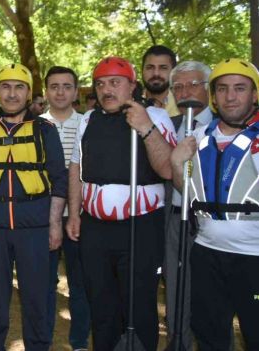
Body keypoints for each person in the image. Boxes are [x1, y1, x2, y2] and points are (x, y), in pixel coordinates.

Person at [66, 56, 176, 351]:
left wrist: (145, 127)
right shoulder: (88, 119)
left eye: (115, 83)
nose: (106, 90)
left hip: (140, 227)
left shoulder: (156, 116)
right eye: (101, 84)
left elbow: (168, 169)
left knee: (139, 307)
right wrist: (74, 213)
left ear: (132, 86)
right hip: (95, 229)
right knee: (101, 307)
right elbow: (76, 167)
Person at [0, 64, 66, 351]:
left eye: (19, 87)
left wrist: (55, 224)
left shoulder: (45, 130)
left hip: (35, 226)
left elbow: (59, 181)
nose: (12, 93)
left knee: (36, 298)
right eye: (6, 87)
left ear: (29, 93)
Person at [171, 58, 259, 350]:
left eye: (240, 88)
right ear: (213, 95)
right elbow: (190, 192)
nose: (230, 96)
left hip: (253, 258)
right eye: (222, 89)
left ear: (254, 94)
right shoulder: (198, 137)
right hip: (207, 253)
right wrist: (175, 162)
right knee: (209, 335)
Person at [163, 60, 212, 350]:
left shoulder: (225, 126)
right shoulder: (170, 127)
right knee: (175, 290)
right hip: (174, 217)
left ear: (208, 88)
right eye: (178, 86)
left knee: (210, 294)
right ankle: (177, 342)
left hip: (211, 222)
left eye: (193, 84)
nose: (185, 91)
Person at [40, 66, 90, 351]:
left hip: (78, 218)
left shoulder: (87, 124)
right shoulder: (33, 125)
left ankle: (79, 340)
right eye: (54, 86)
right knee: (43, 283)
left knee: (80, 283)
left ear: (75, 91)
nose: (60, 91)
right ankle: (42, 339)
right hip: (40, 218)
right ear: (46, 90)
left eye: (67, 86)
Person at [142, 45, 180, 117]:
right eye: (150, 67)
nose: (156, 73)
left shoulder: (183, 108)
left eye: (163, 68)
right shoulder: (130, 104)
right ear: (142, 71)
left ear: (173, 72)